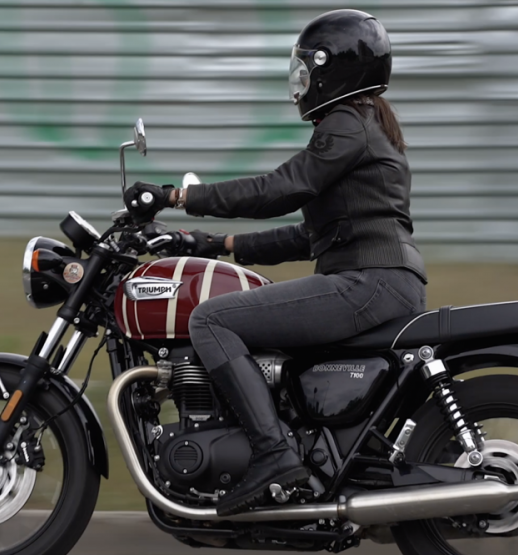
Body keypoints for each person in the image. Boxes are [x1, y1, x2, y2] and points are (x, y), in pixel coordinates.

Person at [123, 8, 428, 516]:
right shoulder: (364, 124)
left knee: (210, 320)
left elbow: (280, 189)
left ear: (334, 70)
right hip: (380, 280)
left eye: (307, 68)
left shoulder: (346, 124)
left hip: (368, 283)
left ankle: (273, 453)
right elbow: (309, 236)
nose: (300, 81)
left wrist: (178, 196)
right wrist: (215, 244)